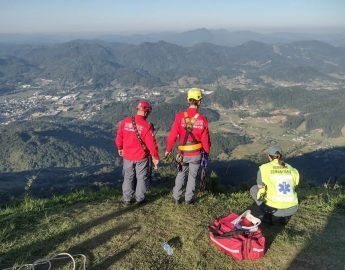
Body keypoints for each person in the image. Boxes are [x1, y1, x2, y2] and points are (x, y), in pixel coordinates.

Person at [165, 87, 211, 205]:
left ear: (188, 100)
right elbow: (206, 141)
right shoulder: (202, 120)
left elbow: (172, 136)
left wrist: (168, 150)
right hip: (196, 154)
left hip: (183, 154)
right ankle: (188, 199)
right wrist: (206, 154)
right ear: (199, 101)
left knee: (181, 174)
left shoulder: (180, 117)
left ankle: (176, 198)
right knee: (192, 176)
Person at [115, 100, 159, 206]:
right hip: (141, 157)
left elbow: (119, 137)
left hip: (127, 156)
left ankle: (127, 199)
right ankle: (140, 199)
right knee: (141, 178)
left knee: (128, 177)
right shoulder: (146, 126)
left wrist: (120, 147)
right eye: (148, 112)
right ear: (146, 112)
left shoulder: (125, 122)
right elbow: (151, 144)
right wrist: (155, 157)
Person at [250, 145, 300, 224]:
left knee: (254, 189)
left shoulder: (264, 168)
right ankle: (284, 218)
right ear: (281, 156)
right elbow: (295, 183)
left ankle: (267, 217)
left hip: (273, 210)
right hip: (292, 208)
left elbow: (260, 187)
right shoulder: (291, 168)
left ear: (269, 157)